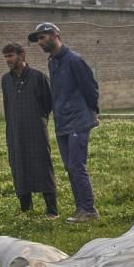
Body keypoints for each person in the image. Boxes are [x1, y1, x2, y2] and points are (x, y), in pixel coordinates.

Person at [29, 22, 100, 224]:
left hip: (78, 120)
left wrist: (93, 111)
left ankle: (89, 209)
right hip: (62, 122)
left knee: (77, 165)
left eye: (43, 38)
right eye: (38, 40)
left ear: (54, 35)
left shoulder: (74, 60)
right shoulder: (52, 62)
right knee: (70, 167)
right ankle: (80, 209)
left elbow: (90, 87)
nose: (40, 43)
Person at [0, 43, 58, 218]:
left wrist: (37, 120)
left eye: (11, 56)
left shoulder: (38, 77)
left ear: (22, 55)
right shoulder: (5, 80)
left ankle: (51, 210)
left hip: (36, 131)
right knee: (19, 165)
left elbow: (48, 104)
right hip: (15, 132)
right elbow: (7, 105)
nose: (8, 60)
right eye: (6, 57)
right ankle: (26, 208)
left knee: (42, 166)